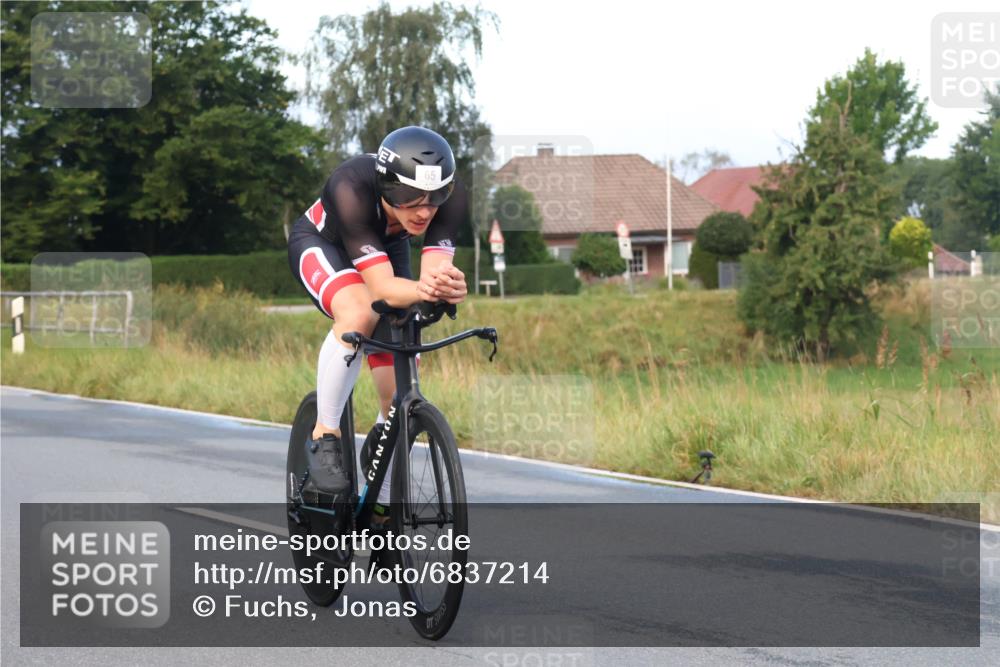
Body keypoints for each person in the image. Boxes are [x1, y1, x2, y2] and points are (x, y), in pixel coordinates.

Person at [286, 126, 469, 512]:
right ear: (388, 188)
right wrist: (424, 290)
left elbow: (432, 277)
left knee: (397, 386)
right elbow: (384, 289)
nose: (424, 211)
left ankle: (383, 512)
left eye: (434, 199)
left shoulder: (450, 200)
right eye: (411, 199)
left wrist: (446, 286)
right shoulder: (350, 186)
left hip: (387, 248)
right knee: (359, 310)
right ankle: (325, 434)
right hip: (324, 244)